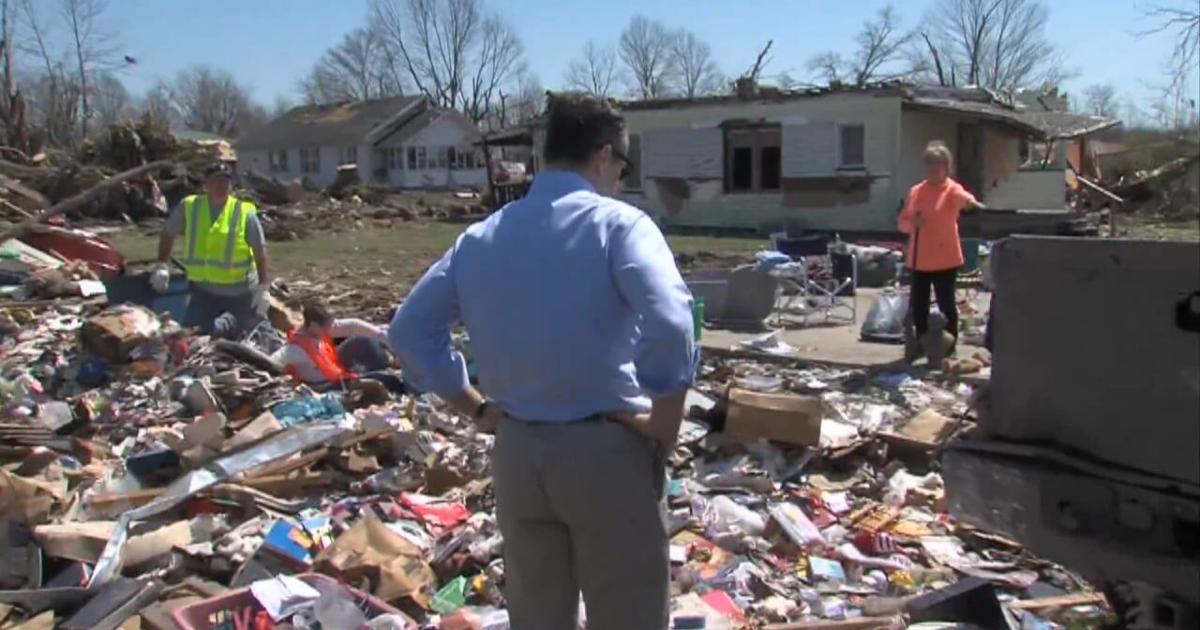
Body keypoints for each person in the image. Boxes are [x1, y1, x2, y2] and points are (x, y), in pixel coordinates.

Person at [388, 92, 697, 630]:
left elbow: (409, 331)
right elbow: (672, 320)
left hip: (518, 454)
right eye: (622, 167)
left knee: (537, 617)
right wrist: (665, 421)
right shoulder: (619, 225)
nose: (620, 180)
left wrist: (476, 408)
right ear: (604, 156)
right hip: (604, 451)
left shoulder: (481, 237)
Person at [154, 162, 270, 338]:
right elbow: (168, 233)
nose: (221, 186)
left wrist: (263, 288)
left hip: (241, 294)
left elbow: (260, 252)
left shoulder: (243, 212)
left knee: (258, 338)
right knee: (190, 341)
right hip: (204, 293)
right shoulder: (190, 207)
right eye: (216, 182)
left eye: (225, 182)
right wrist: (162, 265)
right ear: (205, 184)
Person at [898, 141, 985, 362]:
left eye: (939, 165)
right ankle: (921, 343)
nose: (934, 170)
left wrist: (973, 203)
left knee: (947, 304)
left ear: (947, 167)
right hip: (920, 259)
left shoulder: (951, 189)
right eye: (930, 165)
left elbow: (964, 199)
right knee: (919, 305)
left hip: (946, 257)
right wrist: (912, 224)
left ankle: (949, 345)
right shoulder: (916, 192)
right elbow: (903, 223)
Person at [275, 301, 404, 393]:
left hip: (334, 369)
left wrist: (387, 340)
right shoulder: (296, 350)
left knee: (363, 342)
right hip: (324, 385)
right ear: (313, 325)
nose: (330, 329)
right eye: (326, 326)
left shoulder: (316, 331)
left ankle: (385, 361)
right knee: (388, 380)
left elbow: (354, 326)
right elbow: (273, 360)